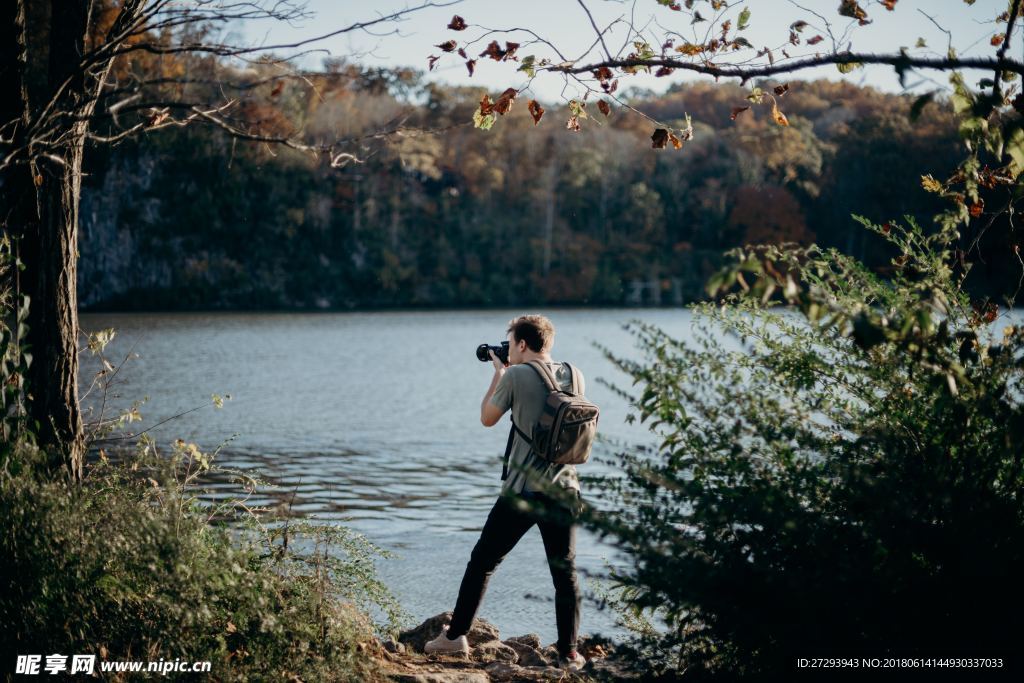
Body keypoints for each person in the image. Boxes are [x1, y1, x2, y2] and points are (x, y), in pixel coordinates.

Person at [424, 314, 587, 672]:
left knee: (482, 562)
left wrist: (498, 374)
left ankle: (455, 638)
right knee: (565, 573)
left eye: (510, 342)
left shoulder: (514, 375)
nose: (508, 348)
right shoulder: (574, 373)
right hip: (565, 490)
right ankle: (570, 653)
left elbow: (487, 417)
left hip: (523, 491)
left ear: (523, 344)